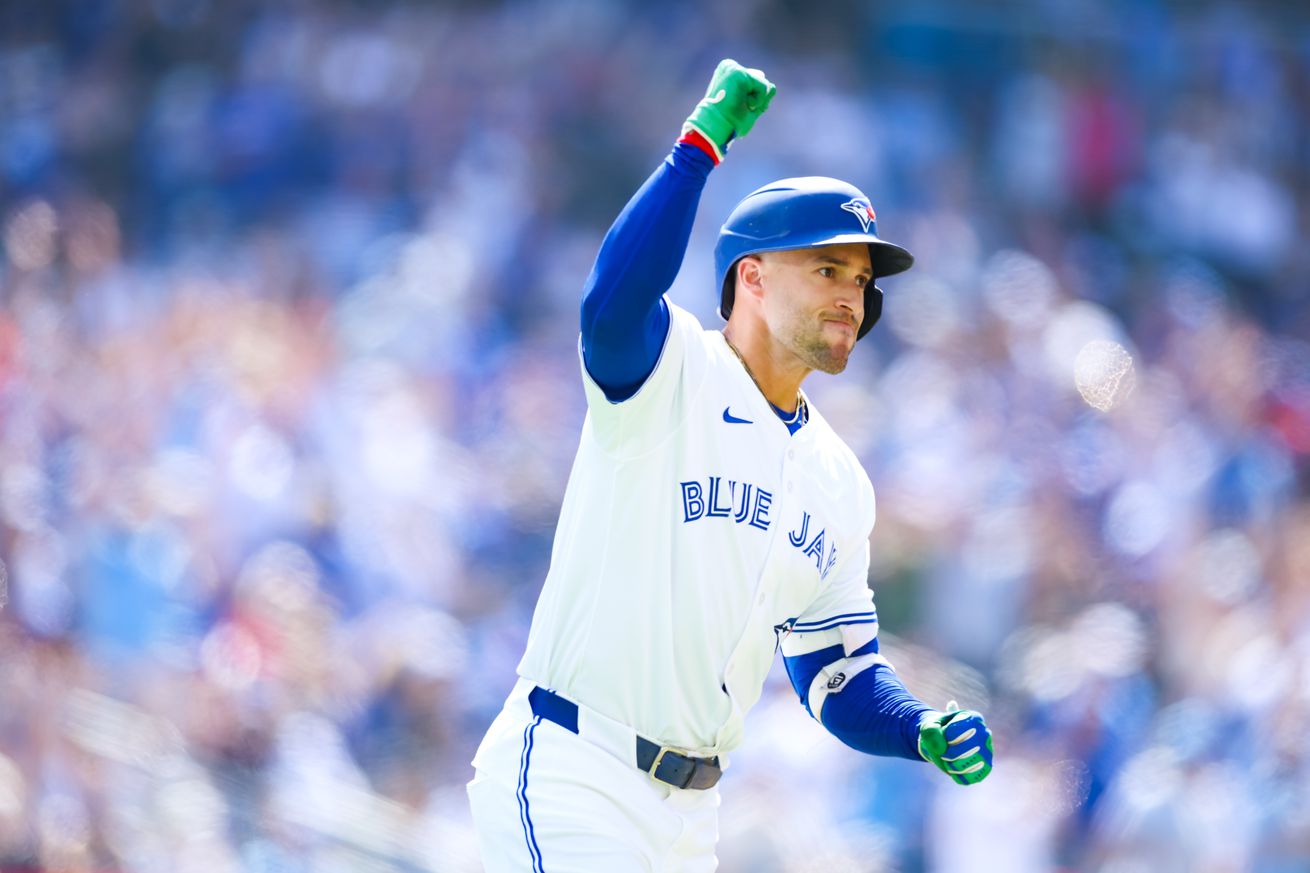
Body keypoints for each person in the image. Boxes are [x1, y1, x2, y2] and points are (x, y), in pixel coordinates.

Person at [466, 59, 994, 872]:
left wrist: (914, 725)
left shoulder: (840, 481)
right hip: (579, 766)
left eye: (860, 279)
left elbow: (838, 675)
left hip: (691, 817)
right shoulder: (671, 370)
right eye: (827, 269)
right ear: (751, 276)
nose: (852, 295)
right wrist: (698, 146)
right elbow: (609, 309)